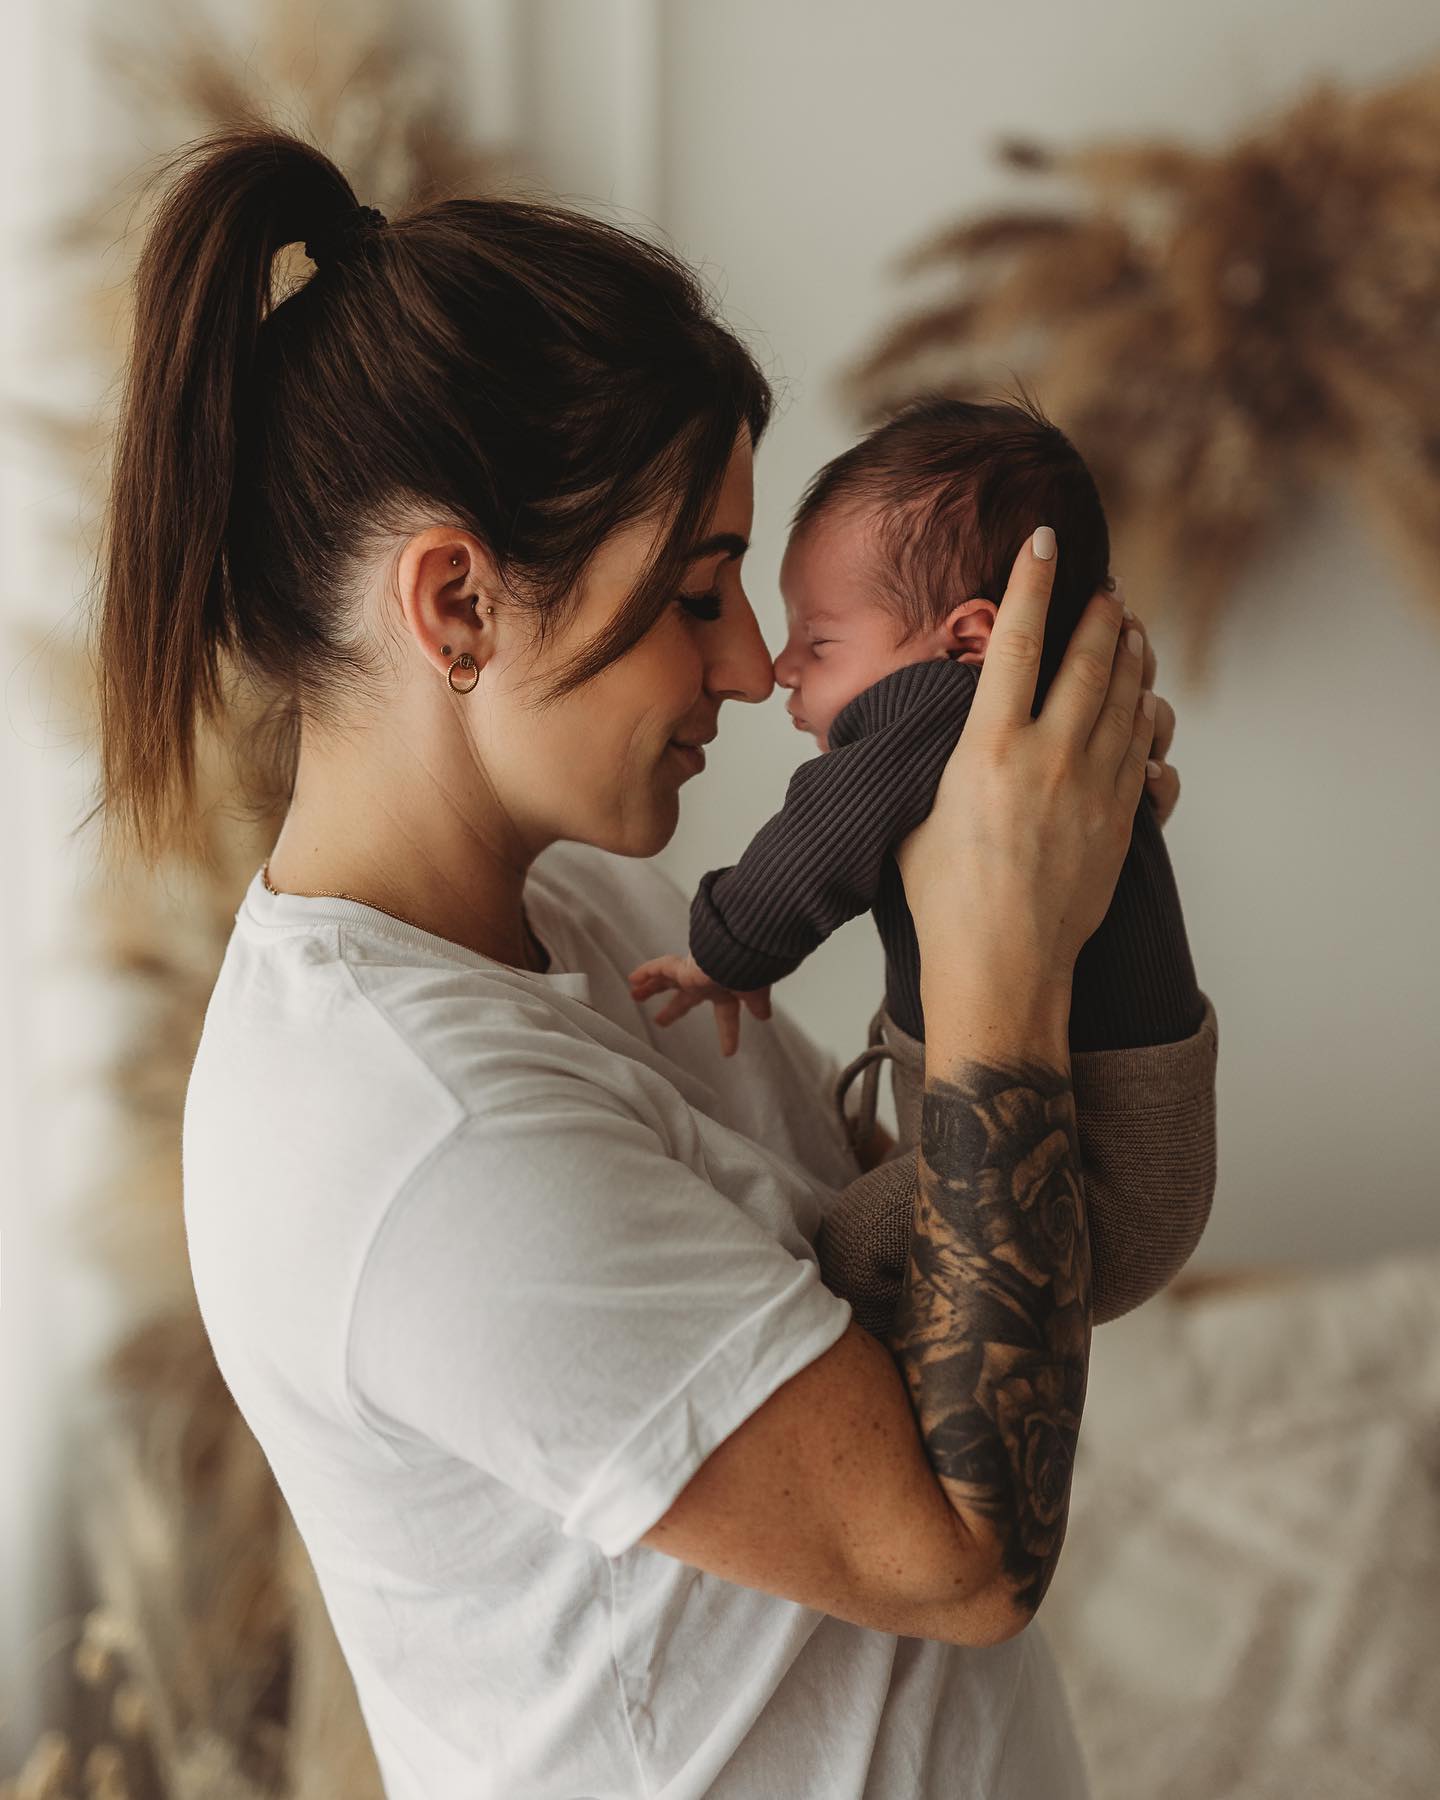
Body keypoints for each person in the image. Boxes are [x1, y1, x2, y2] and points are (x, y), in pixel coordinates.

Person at [89, 122, 1216, 1800]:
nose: (761, 668)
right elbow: (966, 1555)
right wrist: (1005, 966)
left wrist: (1044, 900)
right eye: (702, 592)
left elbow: (931, 1277)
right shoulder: (416, 1144)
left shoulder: (582, 925)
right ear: (459, 605)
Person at [625, 394, 1214, 1338]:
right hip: (1140, 1158)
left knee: (848, 1251)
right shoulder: (1039, 723)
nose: (778, 666)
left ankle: (829, 1383)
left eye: (818, 641)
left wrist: (725, 947)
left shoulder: (942, 707)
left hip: (1090, 1163)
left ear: (969, 640)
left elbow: (821, 835)